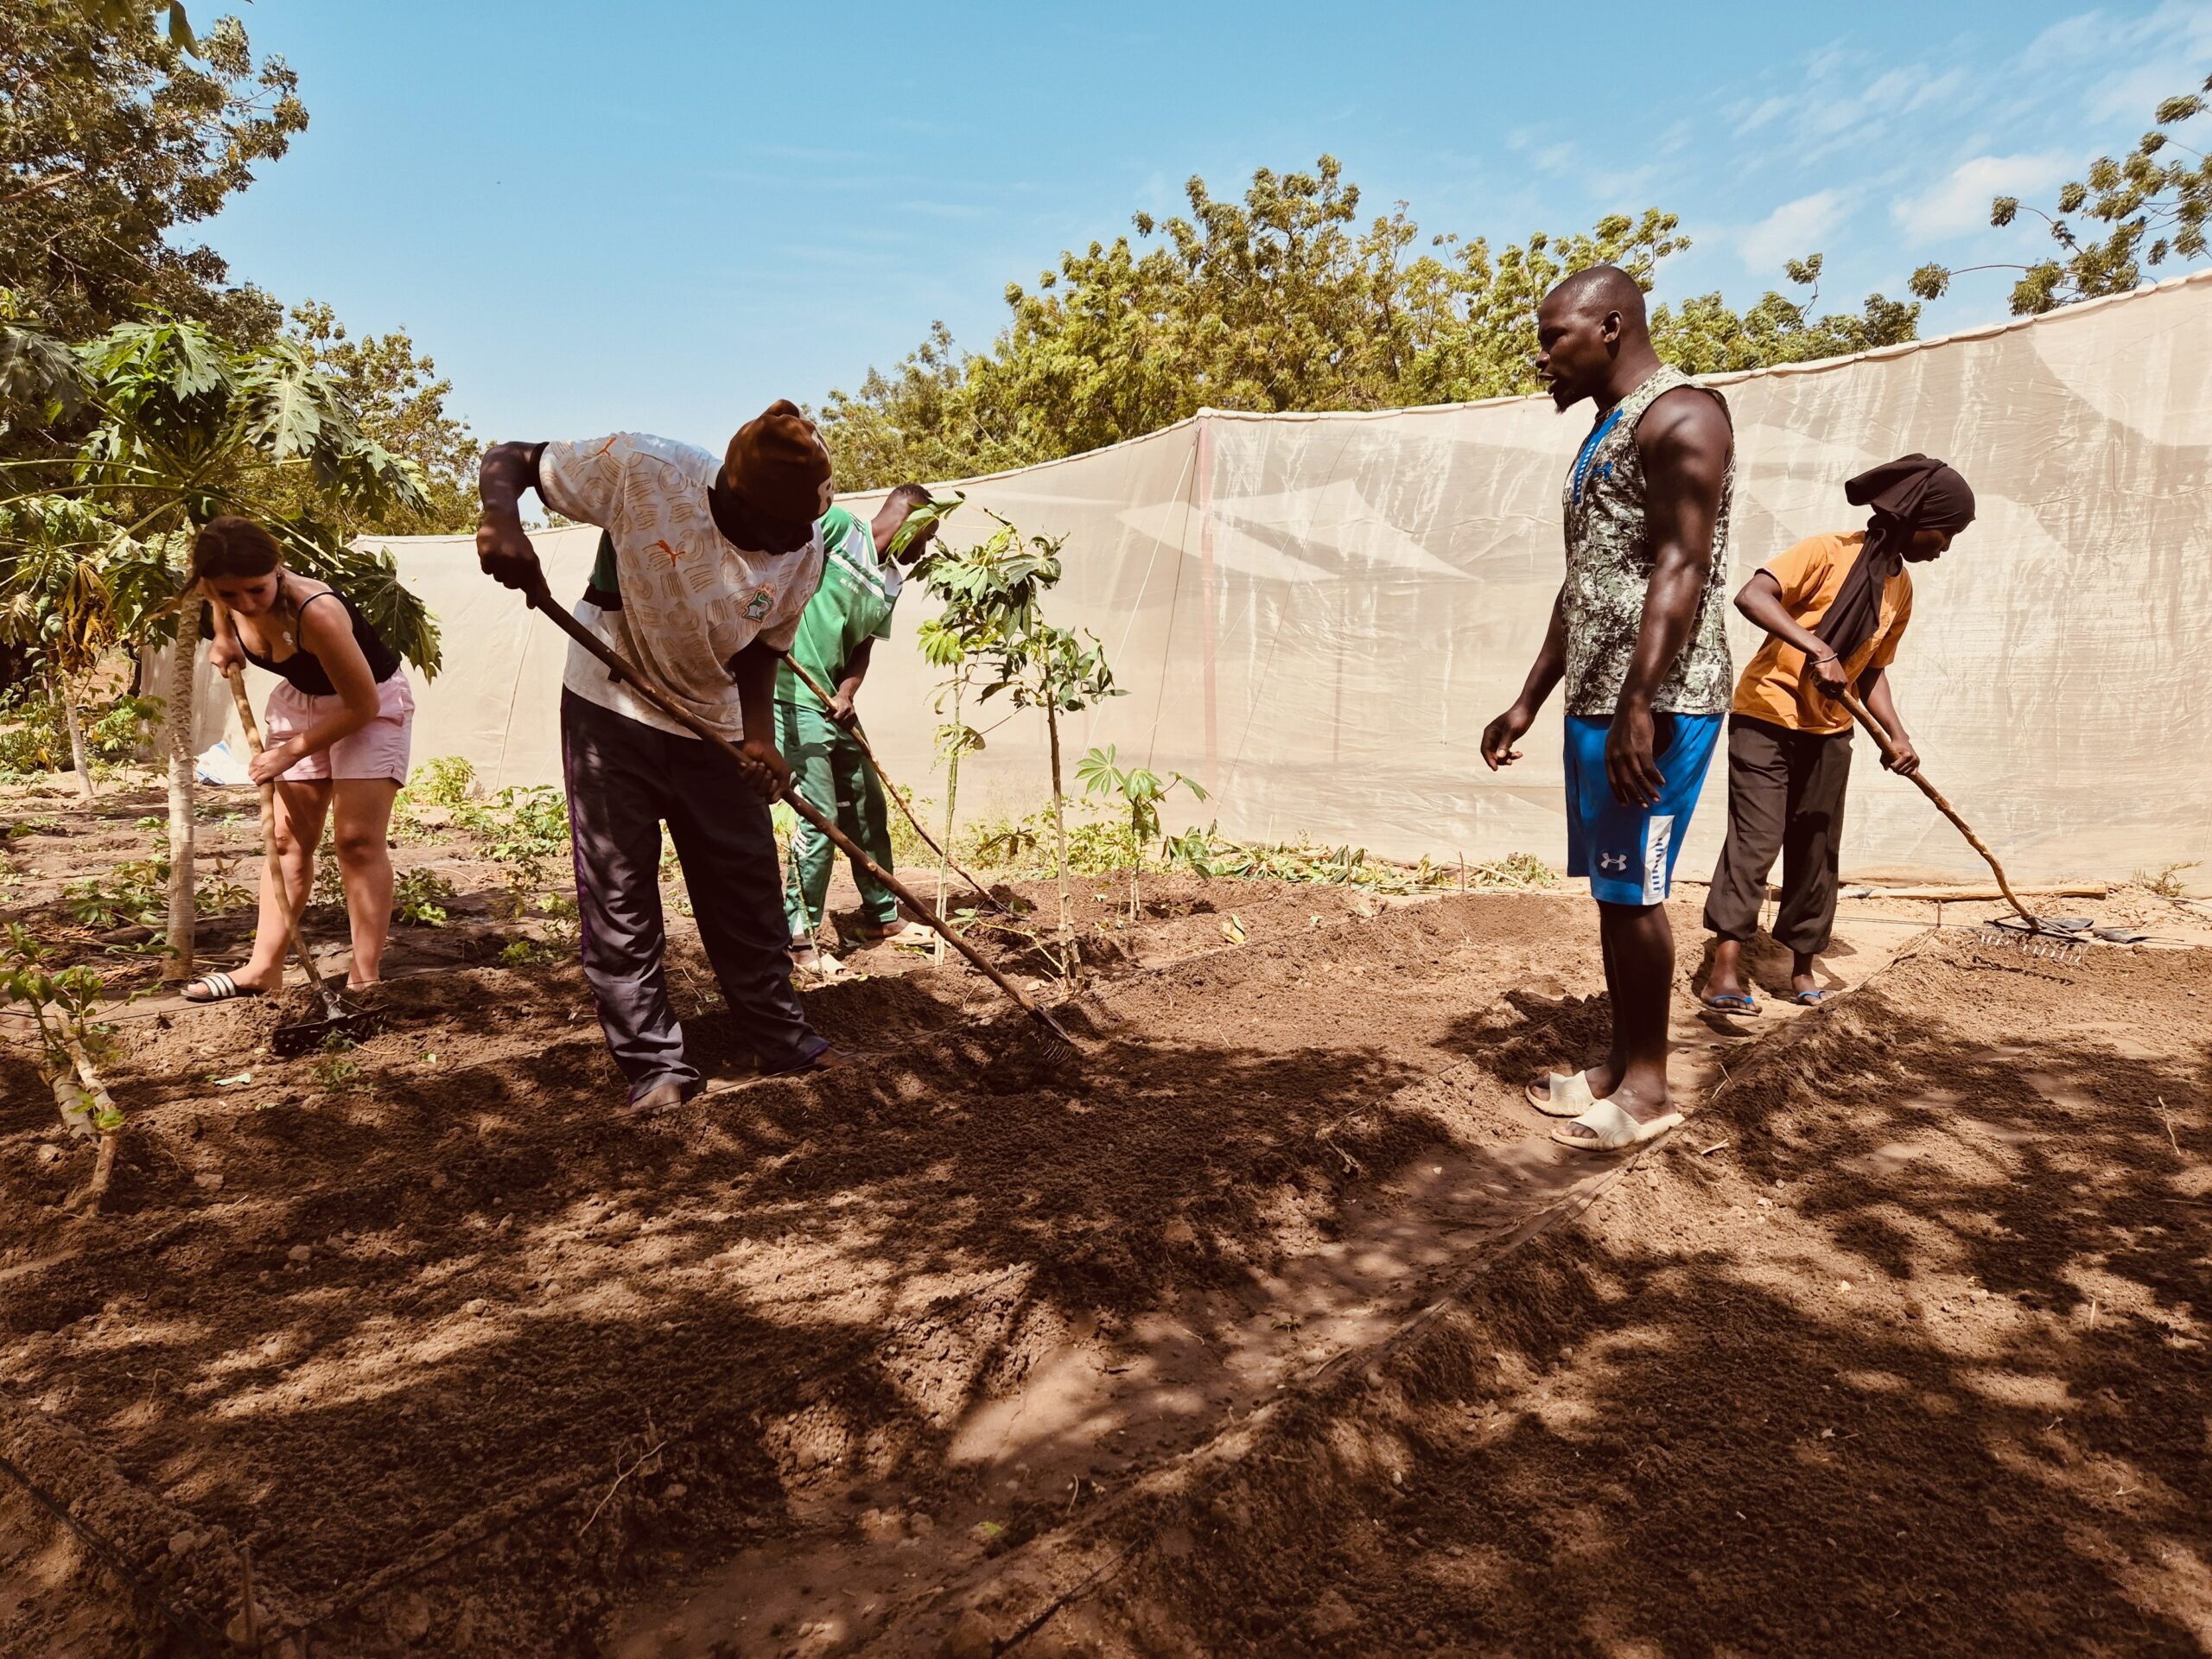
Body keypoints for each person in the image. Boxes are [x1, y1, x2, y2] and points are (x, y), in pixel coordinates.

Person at [473, 400, 846, 1117]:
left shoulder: (805, 541)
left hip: (716, 719)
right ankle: (656, 1067)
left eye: (804, 528)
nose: (792, 545)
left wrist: (759, 737)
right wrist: (502, 521)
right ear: (732, 497)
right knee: (620, 893)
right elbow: (512, 457)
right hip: (611, 706)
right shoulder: (645, 468)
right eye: (779, 531)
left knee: (747, 886)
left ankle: (780, 1036)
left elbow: (766, 646)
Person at [1480, 265, 1736, 1153]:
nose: (1541, 355)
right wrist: (1526, 699)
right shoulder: (1605, 431)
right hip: (1599, 696)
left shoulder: (1683, 416)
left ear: (1614, 327)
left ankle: (1650, 1091)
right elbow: (1587, 582)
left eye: (1555, 337)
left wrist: (1638, 701)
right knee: (1612, 891)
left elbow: (1682, 565)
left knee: (1636, 892)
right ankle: (1622, 1063)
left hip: (1657, 703)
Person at [1701, 456, 1976, 1010]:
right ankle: (1725, 969)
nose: (1944, 546)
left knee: (1818, 845)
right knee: (1756, 840)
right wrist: (1818, 648)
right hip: (1767, 714)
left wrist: (1896, 736)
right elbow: (1753, 596)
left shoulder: (1902, 588)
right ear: (1915, 516)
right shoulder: (1826, 552)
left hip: (1830, 728)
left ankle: (1801, 968)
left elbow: (1872, 670)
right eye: (1944, 532)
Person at [182, 516, 415, 1001]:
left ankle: (365, 978)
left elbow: (362, 705)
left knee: (356, 842)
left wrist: (286, 754)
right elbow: (218, 600)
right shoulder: (220, 592)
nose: (245, 602)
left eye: (256, 591)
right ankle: (262, 969)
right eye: (230, 595)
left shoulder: (317, 612)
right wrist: (225, 635)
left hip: (369, 706)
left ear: (278, 570)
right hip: (300, 704)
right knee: (287, 841)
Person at [777, 484, 942, 969]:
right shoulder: (836, 529)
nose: (925, 549)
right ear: (910, 520)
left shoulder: (892, 578)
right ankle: (800, 938)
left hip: (833, 699)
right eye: (926, 536)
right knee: (820, 815)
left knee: (867, 800)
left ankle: (882, 914)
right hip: (787, 692)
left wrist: (847, 693)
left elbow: (863, 645)